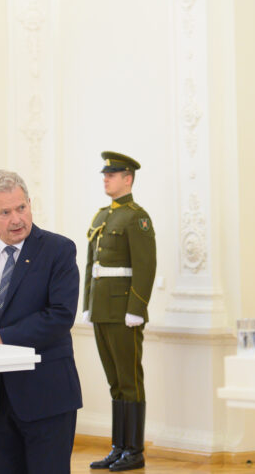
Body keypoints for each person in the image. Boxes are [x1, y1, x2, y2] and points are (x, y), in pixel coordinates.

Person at [0, 170, 82, 474]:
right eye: (5, 212)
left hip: (47, 396)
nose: (16, 219)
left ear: (29, 203)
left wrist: (1, 336)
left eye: (21, 208)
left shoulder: (59, 250)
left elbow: (61, 316)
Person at [85, 152, 156, 471]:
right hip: (102, 308)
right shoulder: (101, 217)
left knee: (130, 380)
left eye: (112, 174)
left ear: (127, 179)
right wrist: (87, 305)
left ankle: (135, 450)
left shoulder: (136, 217)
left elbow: (145, 266)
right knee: (114, 381)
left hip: (124, 310)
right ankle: (119, 447)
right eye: (105, 174)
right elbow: (91, 265)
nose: (106, 178)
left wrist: (136, 308)